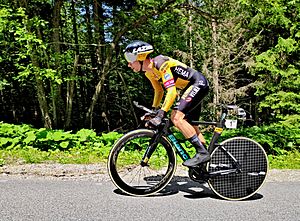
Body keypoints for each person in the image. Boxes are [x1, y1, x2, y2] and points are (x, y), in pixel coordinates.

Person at [124, 40, 210, 167]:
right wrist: (154, 111)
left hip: (197, 83)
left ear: (141, 57)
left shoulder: (161, 63)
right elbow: (158, 91)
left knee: (176, 117)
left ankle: (202, 153)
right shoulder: (149, 72)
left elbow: (172, 92)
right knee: (192, 126)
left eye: (130, 58)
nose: (128, 64)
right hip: (189, 88)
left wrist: (162, 113)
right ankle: (207, 164)